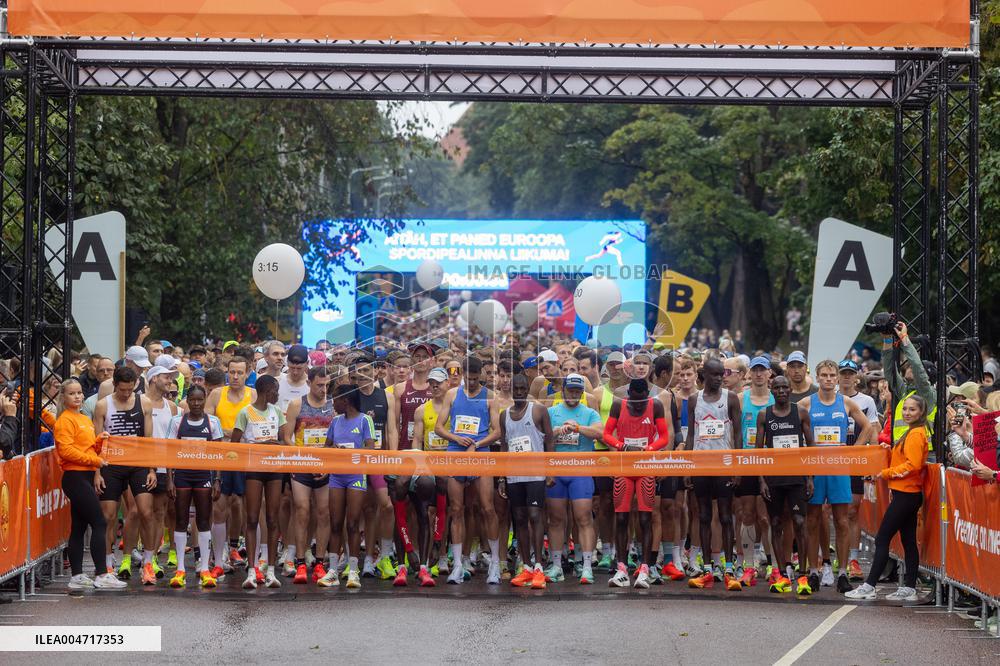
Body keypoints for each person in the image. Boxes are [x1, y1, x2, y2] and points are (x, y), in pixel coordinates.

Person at [798, 360, 875, 594]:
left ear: (837, 378)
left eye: (832, 375)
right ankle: (814, 571)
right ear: (817, 377)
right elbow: (791, 424)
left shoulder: (846, 402)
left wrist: (854, 451)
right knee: (813, 520)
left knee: (841, 521)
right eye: (824, 375)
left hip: (839, 467)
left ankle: (842, 572)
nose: (829, 379)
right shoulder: (806, 403)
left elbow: (868, 427)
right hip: (814, 468)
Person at [846, 395, 929, 602]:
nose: (907, 413)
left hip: (907, 494)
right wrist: (889, 451)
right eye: (905, 409)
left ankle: (870, 586)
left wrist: (886, 473)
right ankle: (909, 588)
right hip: (906, 493)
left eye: (912, 409)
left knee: (883, 538)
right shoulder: (912, 432)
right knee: (908, 541)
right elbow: (906, 460)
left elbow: (913, 465)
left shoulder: (916, 434)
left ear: (921, 412)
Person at [434, 355, 502, 585]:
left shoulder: (490, 396)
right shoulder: (452, 394)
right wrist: (456, 438)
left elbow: (497, 431)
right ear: (462, 374)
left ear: (480, 375)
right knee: (456, 509)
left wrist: (478, 444)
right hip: (456, 452)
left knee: (487, 508)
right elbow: (439, 427)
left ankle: (495, 563)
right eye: (468, 378)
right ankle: (457, 564)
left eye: (475, 379)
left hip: (480, 453)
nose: (471, 383)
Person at [55, 378, 127, 590]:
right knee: (99, 522)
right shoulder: (64, 420)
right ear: (63, 397)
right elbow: (66, 451)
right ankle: (102, 574)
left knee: (79, 527)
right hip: (75, 477)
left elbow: (84, 447)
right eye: (72, 393)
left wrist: (98, 441)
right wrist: (95, 460)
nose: (77, 396)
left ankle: (77, 576)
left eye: (79, 392)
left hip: (84, 476)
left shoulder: (84, 418)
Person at [603, 378, 671, 589]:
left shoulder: (655, 405)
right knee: (621, 517)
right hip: (624, 468)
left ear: (647, 395)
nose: (639, 405)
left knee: (645, 518)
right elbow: (606, 434)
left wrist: (648, 449)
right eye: (635, 401)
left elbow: (664, 437)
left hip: (645, 468)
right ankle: (621, 568)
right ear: (629, 395)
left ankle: (645, 568)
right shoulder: (618, 405)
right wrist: (623, 447)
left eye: (643, 401)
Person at [91, 366, 156, 583]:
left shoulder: (144, 402)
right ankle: (108, 564)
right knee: (108, 516)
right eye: (122, 390)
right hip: (111, 465)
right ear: (114, 385)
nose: (127, 394)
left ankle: (148, 563)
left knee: (146, 512)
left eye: (130, 389)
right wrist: (97, 473)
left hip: (138, 463)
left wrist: (152, 469)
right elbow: (96, 443)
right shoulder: (103, 405)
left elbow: (149, 440)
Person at [684, 358, 743, 592]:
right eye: (715, 374)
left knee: (726, 516)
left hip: (724, 464)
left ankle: (728, 570)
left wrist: (737, 466)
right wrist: (687, 467)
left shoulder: (730, 398)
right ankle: (707, 570)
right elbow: (691, 435)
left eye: (722, 374)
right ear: (705, 375)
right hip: (701, 464)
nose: (719, 378)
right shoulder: (694, 400)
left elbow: (737, 434)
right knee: (704, 516)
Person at [755, 375, 815, 595]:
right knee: (776, 523)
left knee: (799, 521)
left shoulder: (801, 413)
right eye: (777, 387)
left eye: (784, 387)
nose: (781, 391)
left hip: (797, 477)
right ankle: (781, 575)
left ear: (791, 390)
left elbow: (811, 446)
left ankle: (803, 576)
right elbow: (758, 450)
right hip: (773, 478)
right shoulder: (764, 415)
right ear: (772, 390)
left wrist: (810, 477)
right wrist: (761, 480)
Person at [232, 374, 290, 590]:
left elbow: (284, 441)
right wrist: (258, 446)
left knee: (273, 519)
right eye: (276, 391)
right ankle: (251, 570)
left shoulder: (277, 412)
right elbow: (234, 445)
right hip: (254, 469)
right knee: (252, 518)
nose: (278, 395)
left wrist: (275, 444)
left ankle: (271, 571)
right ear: (267, 391)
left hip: (274, 469)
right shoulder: (245, 412)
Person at [315, 384, 376, 590]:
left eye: (335, 400)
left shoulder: (365, 420)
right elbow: (326, 447)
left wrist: (351, 453)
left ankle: (353, 571)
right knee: (335, 523)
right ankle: (333, 571)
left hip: (356, 475)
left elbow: (371, 448)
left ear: (346, 400)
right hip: (336, 476)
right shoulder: (335, 421)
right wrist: (334, 449)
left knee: (352, 523)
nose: (333, 404)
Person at [545, 373, 603, 585]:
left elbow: (599, 433)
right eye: (571, 390)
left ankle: (586, 566)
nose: (574, 395)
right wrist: (556, 431)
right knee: (556, 519)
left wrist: (578, 428)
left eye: (578, 391)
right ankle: (557, 566)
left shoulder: (589, 413)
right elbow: (541, 435)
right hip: (556, 471)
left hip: (581, 471)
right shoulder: (551, 412)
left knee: (584, 517)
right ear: (563, 391)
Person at [165, 385, 223, 589]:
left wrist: (218, 479)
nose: (196, 403)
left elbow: (218, 452)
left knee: (204, 520)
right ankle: (180, 569)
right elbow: (170, 452)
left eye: (200, 400)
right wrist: (169, 479)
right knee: (181, 520)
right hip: (182, 475)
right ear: (187, 401)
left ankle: (205, 568)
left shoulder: (213, 422)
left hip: (203, 476)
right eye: (193, 400)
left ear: (205, 399)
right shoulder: (177, 421)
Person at [283, 366, 334, 585]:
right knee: (302, 509)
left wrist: (326, 463)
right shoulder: (297, 404)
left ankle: (320, 561)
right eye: (319, 385)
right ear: (309, 383)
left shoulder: (333, 406)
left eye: (327, 385)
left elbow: (335, 438)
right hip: (302, 464)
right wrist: (303, 459)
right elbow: (287, 438)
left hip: (325, 466)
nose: (324, 389)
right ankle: (300, 560)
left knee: (323, 512)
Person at [503, 374, 553, 589]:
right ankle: (526, 566)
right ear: (511, 390)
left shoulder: (539, 410)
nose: (519, 392)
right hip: (514, 475)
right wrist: (502, 478)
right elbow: (504, 446)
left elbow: (549, 439)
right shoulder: (504, 415)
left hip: (535, 473)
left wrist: (550, 471)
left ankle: (539, 566)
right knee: (520, 518)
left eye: (523, 388)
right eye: (516, 388)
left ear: (528, 389)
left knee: (535, 515)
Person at [206, 356, 255, 571]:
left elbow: (256, 424)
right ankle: (220, 551)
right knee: (219, 505)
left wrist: (232, 433)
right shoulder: (217, 394)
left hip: (245, 456)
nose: (235, 376)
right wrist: (230, 432)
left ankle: (234, 546)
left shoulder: (253, 394)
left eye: (239, 373)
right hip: (221, 455)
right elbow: (207, 423)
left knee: (239, 504)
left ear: (247, 373)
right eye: (232, 372)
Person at [838, 359, 881, 581]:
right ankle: (830, 558)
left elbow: (873, 431)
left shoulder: (866, 401)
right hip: (831, 460)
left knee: (852, 511)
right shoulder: (829, 398)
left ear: (856, 377)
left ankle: (853, 560)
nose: (846, 377)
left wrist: (872, 462)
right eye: (843, 373)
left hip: (855, 461)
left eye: (850, 373)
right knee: (827, 511)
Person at [735, 356, 774, 584]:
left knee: (766, 517)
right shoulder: (741, 399)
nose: (759, 374)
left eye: (762, 370)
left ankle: (771, 563)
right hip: (747, 461)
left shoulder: (776, 397)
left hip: (770, 463)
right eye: (755, 370)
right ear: (750, 373)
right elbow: (735, 432)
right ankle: (748, 565)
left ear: (769, 373)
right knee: (747, 514)